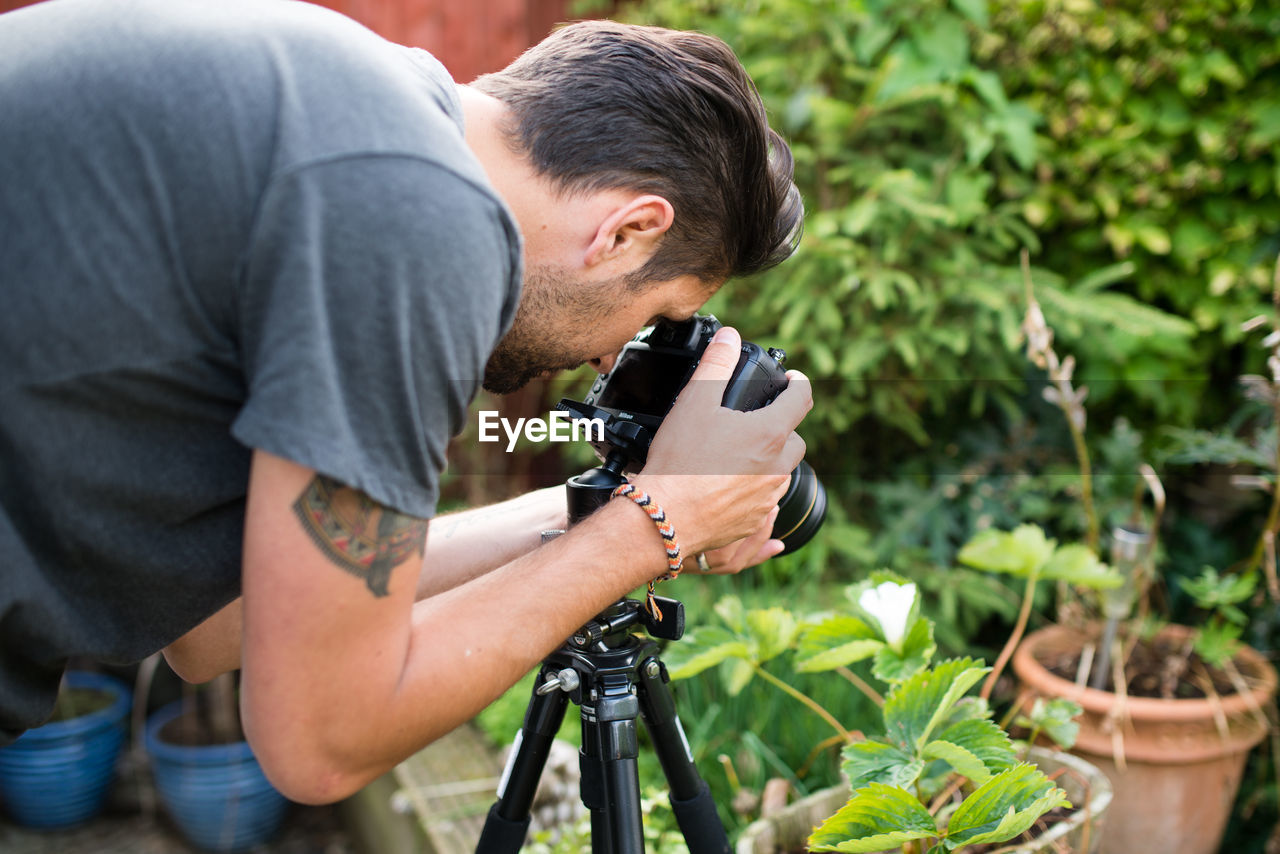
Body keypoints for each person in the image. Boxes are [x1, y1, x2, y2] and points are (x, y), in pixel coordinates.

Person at [0, 0, 811, 804]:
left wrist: (619, 511)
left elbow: (215, 624)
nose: (612, 356)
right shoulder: (416, 217)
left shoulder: (359, 124)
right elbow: (319, 739)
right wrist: (652, 528)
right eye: (655, 316)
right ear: (628, 232)